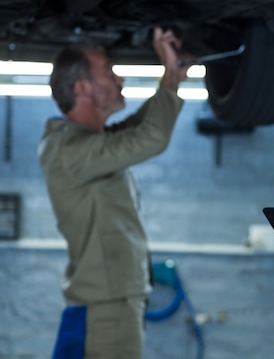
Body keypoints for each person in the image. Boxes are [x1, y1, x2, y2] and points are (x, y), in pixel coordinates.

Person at [38, 27, 191, 359]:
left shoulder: (83, 143)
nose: (120, 79)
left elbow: (138, 128)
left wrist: (172, 78)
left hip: (110, 301)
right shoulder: (70, 148)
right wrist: (166, 67)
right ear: (81, 87)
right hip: (106, 307)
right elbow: (152, 137)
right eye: (108, 72)